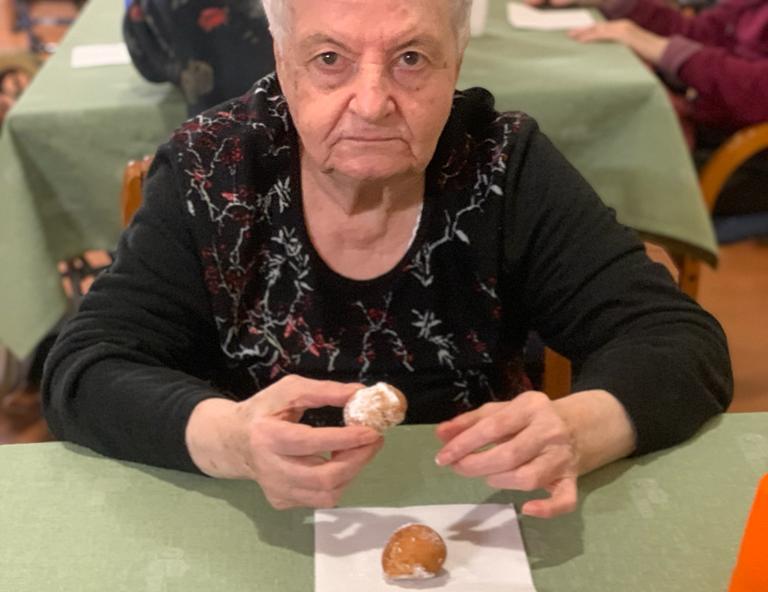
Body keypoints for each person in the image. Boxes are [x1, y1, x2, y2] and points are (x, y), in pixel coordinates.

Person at [43, 0, 732, 517]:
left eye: (411, 59)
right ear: (282, 62)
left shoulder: (502, 165)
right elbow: (86, 368)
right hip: (258, 516)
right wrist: (231, 438)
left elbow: (676, 340)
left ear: (456, 61)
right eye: (329, 59)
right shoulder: (212, 168)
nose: (372, 104)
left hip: (475, 517)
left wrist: (578, 429)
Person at [537, 0, 768, 140]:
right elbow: (702, 32)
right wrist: (619, 5)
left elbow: (759, 93)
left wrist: (662, 49)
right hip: (708, 113)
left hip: (740, 150)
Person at [123, 0, 275, 115]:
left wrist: (179, 73)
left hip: (212, 123)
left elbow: (148, 67)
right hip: (275, 109)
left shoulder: (144, 6)